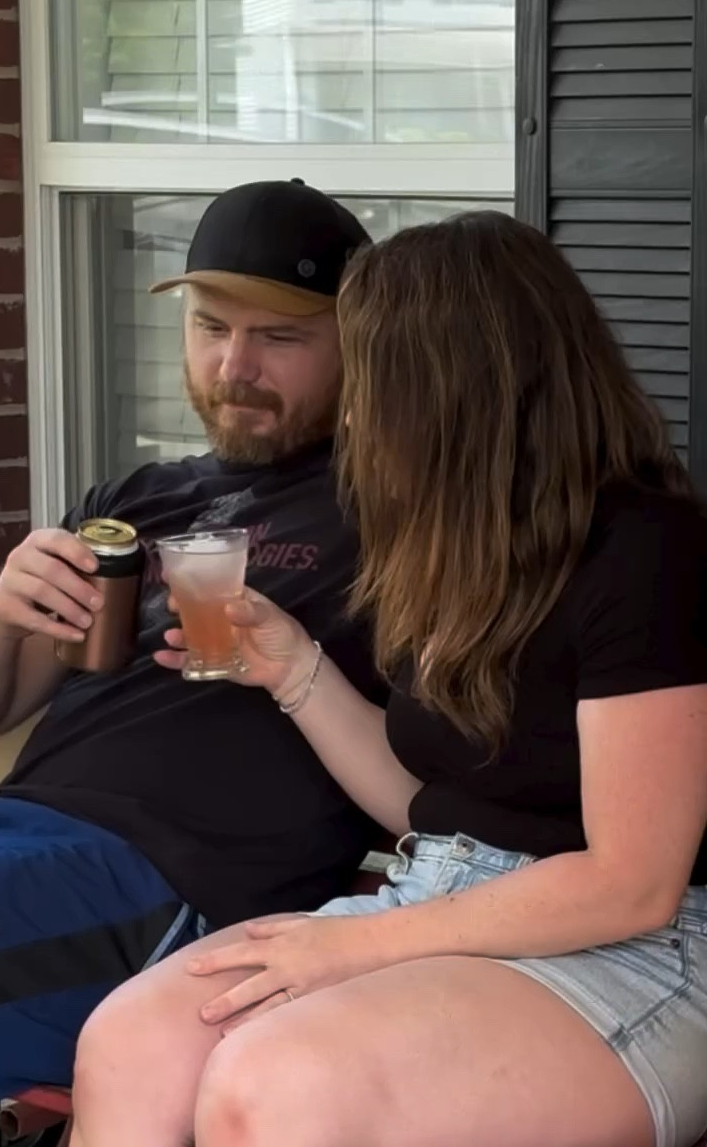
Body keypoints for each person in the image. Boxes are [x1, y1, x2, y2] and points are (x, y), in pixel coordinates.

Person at [71, 211, 707, 1147]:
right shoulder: (448, 548)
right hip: (439, 897)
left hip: (635, 954)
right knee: (133, 1040)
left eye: (371, 377)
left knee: (280, 1083)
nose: (356, 412)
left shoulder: (645, 550)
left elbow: (632, 883)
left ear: (449, 388)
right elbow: (428, 811)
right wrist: (294, 671)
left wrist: (354, 940)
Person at [0, 179, 386, 1102]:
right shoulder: (134, 503)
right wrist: (6, 608)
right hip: (21, 835)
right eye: (211, 328)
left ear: (359, 347)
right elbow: (0, 705)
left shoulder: (398, 520)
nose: (234, 365)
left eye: (278, 338)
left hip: (175, 886)